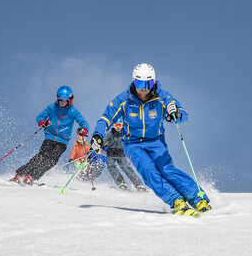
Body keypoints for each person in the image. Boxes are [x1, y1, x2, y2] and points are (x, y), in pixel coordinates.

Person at [90, 63, 211, 216]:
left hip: (156, 142)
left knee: (167, 169)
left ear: (154, 82)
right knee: (148, 170)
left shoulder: (162, 97)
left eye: (149, 83)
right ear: (134, 82)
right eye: (140, 83)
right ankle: (176, 201)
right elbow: (105, 118)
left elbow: (182, 114)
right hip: (133, 144)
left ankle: (198, 199)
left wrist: (176, 112)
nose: (144, 88)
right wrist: (97, 135)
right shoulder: (123, 99)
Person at [11, 86, 89, 185]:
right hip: (49, 138)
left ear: (70, 99)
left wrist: (84, 130)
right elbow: (40, 117)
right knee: (41, 157)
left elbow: (84, 123)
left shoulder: (73, 111)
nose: (62, 102)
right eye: (60, 99)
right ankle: (20, 175)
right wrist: (43, 122)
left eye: (65, 99)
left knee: (51, 160)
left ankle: (32, 177)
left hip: (62, 141)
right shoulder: (52, 107)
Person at [103, 118, 147, 192]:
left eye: (119, 125)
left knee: (126, 168)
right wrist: (102, 145)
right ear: (113, 126)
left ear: (122, 126)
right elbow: (103, 142)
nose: (118, 127)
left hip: (121, 154)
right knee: (111, 166)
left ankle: (139, 184)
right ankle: (121, 183)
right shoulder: (110, 133)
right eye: (116, 125)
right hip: (111, 154)